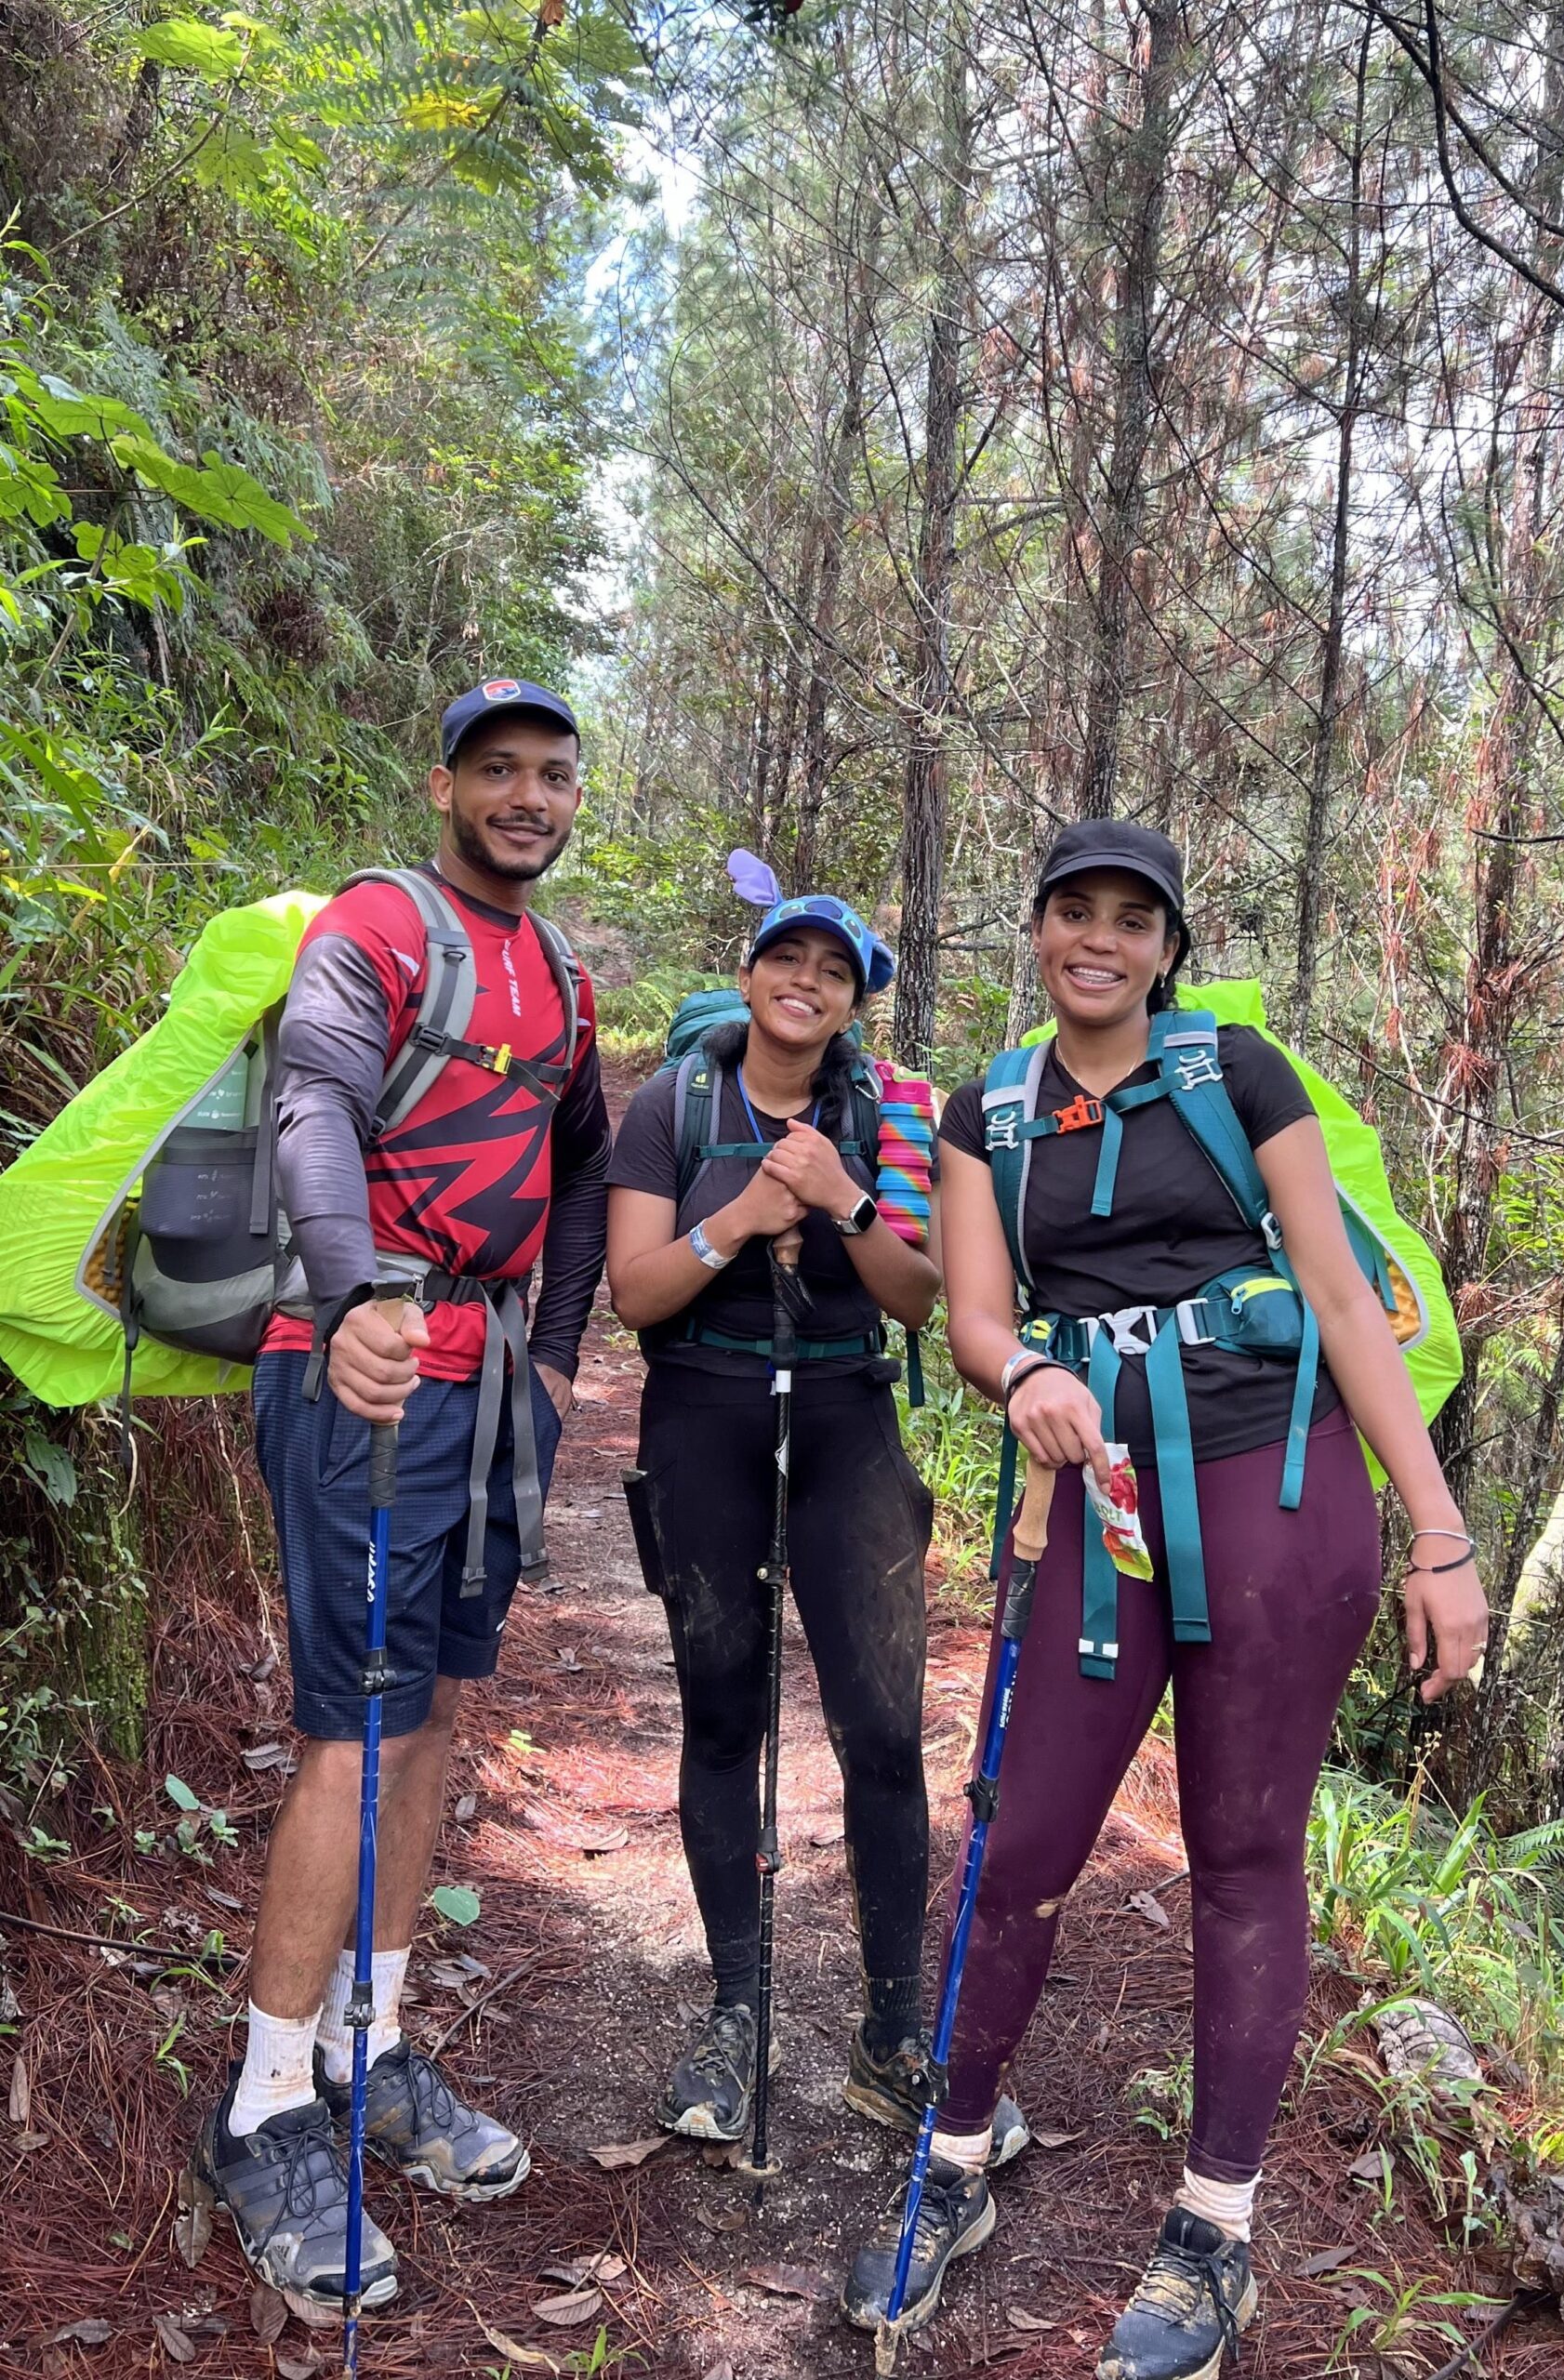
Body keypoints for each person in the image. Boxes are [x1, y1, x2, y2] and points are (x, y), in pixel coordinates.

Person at [843, 819, 1488, 2378]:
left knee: (1247, 1851)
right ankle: (956, 2154)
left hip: (1281, 1489)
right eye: (1076, 910)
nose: (1102, 940)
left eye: (1134, 919)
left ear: (1167, 949)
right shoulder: (991, 1107)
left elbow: (1341, 1299)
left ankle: (1216, 2227)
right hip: (1100, 1502)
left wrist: (1442, 1539)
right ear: (1040, 927)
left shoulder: (1238, 1076)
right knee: (1022, 1837)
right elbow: (980, 1317)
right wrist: (1028, 1375)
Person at [192, 678, 611, 2322]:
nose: (526, 797)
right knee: (352, 1727)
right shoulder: (381, 924)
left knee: (430, 1707)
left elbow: (580, 1172)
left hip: (487, 1386)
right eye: (497, 771)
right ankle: (267, 2103)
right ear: (444, 785)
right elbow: (314, 1107)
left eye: (552, 775)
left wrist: (560, 1355)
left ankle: (371, 2043)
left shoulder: (565, 976)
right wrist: (363, 1295)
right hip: (354, 1365)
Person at [606, 884, 958, 2148]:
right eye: (785, 958)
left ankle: (892, 2030)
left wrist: (845, 1200)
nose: (805, 981)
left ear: (854, 999)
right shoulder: (674, 1105)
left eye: (833, 969)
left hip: (848, 1417)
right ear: (751, 972)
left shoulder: (891, 1112)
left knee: (882, 1727)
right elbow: (632, 1293)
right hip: (703, 1413)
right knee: (721, 1714)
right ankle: (735, 2016)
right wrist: (745, 1217)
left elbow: (924, 1299)